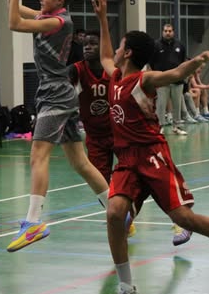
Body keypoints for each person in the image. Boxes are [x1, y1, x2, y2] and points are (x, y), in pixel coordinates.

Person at [92, 0, 209, 294]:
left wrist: (197, 61)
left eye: (119, 46)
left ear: (128, 52)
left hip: (152, 156)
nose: (113, 51)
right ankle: (127, 290)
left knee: (183, 218)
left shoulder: (143, 79)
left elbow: (174, 74)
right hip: (126, 160)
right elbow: (104, 55)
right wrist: (102, 18)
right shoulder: (115, 76)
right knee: (115, 214)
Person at [5, 0, 110, 252]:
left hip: (55, 95)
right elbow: (15, 8)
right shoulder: (49, 17)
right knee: (80, 162)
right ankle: (118, 211)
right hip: (58, 92)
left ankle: (33, 223)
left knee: (38, 156)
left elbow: (13, 22)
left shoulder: (58, 22)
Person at [68, 31, 191, 245]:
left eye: (93, 43)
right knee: (103, 185)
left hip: (124, 136)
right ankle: (125, 218)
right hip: (96, 137)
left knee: (155, 182)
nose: (88, 47)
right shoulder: (77, 70)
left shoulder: (117, 72)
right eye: (85, 44)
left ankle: (181, 220)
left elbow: (171, 75)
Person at [149, 23, 188, 135]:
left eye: (170, 31)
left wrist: (182, 75)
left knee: (177, 104)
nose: (167, 33)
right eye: (165, 31)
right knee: (161, 105)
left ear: (173, 32)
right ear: (162, 32)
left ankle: (177, 127)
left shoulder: (180, 45)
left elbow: (183, 62)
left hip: (177, 80)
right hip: (162, 80)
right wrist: (156, 76)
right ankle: (159, 127)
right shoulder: (156, 45)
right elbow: (151, 62)